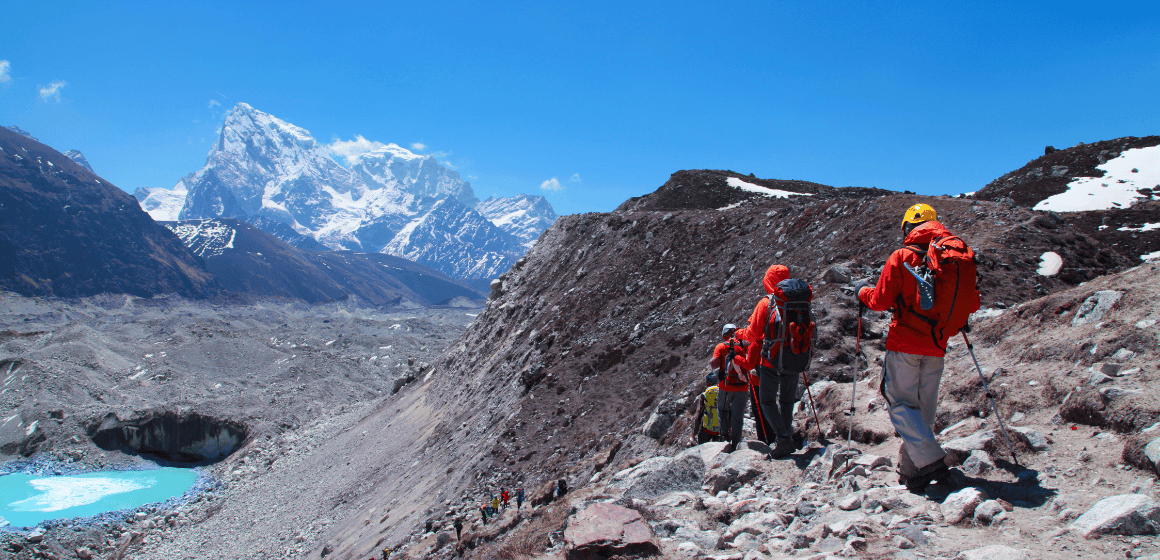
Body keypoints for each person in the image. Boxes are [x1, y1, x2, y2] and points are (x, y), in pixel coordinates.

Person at [855, 203, 979, 491]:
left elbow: (881, 301)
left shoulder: (903, 256)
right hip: (938, 345)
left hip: (905, 343)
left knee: (899, 404)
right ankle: (912, 472)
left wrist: (862, 291)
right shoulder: (954, 257)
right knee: (924, 410)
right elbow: (972, 302)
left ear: (909, 227)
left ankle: (933, 462)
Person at [739, 264, 813, 458]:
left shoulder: (767, 303)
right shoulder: (800, 300)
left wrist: (739, 333)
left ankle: (783, 439)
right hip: (796, 355)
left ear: (768, 280)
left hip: (770, 361)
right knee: (787, 401)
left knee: (767, 401)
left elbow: (754, 334)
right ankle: (786, 435)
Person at [711, 324, 752, 452]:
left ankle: (724, 436)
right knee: (738, 416)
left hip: (726, 386)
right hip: (743, 386)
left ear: (725, 334)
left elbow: (713, 363)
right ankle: (736, 443)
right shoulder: (745, 345)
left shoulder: (722, 346)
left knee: (722, 410)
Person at [693, 372, 721, 444]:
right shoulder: (723, 392)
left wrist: (695, 431)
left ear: (708, 383)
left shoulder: (704, 394)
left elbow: (698, 414)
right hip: (720, 429)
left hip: (707, 429)